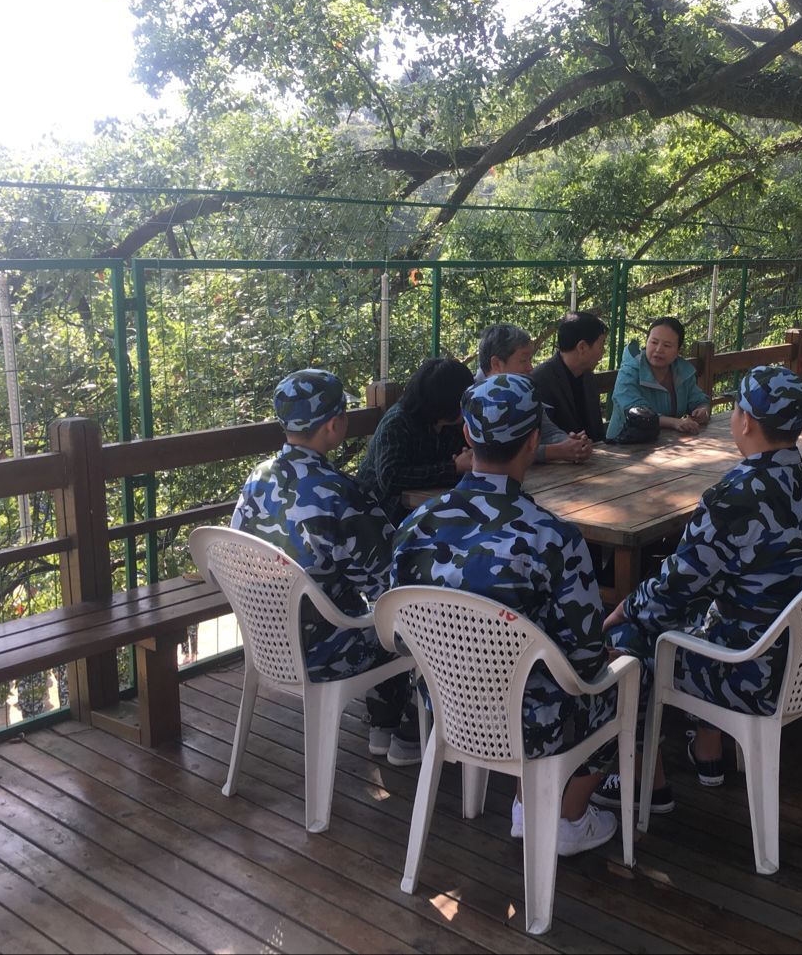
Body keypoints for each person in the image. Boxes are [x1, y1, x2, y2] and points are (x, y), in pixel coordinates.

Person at [390, 374, 619, 855]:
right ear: (534, 440)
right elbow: (585, 658)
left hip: (446, 705)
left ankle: (528, 804)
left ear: (467, 435)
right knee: (626, 681)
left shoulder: (416, 524)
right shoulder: (554, 538)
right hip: (532, 724)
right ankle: (567, 818)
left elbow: (397, 629)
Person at [596, 366, 802, 809]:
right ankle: (707, 754)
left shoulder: (735, 496)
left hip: (749, 671)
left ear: (745, 421)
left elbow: (675, 586)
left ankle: (645, 783)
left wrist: (626, 608)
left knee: (629, 638)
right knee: (702, 611)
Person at [231, 369, 420, 766]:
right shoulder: (340, 493)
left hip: (266, 641)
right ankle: (409, 734)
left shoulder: (257, 478)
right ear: (334, 425)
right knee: (415, 623)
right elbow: (392, 584)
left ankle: (384, 724)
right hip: (325, 652)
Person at [356, 358, 474, 524]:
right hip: (381, 520)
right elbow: (390, 478)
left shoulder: (453, 424)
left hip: (427, 511)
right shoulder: (397, 423)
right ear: (447, 401)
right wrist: (453, 468)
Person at [475, 323, 593, 464]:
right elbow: (498, 451)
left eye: (530, 360)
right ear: (496, 364)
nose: (530, 368)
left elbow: (548, 432)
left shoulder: (525, 390)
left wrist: (573, 444)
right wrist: (556, 451)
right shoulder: (473, 397)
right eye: (523, 360)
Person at [606, 317, 711, 440]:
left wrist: (702, 410)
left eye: (667, 345)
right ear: (646, 343)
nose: (659, 349)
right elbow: (635, 412)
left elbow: (699, 400)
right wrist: (675, 422)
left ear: (678, 351)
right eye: (654, 342)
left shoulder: (682, 371)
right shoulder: (629, 371)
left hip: (666, 442)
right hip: (622, 444)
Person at [531, 312, 608, 442]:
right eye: (601, 345)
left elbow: (597, 432)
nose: (603, 352)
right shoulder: (541, 380)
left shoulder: (587, 376)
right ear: (582, 347)